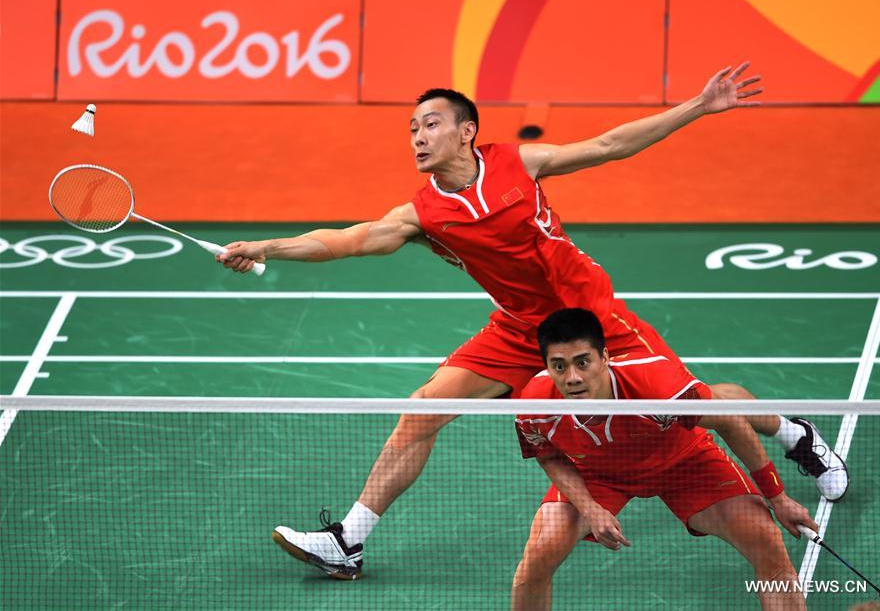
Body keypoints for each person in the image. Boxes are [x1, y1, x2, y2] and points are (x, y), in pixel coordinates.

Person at [217, 62, 847, 579]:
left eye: (430, 123)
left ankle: (791, 432)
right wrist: (267, 247)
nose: (416, 135)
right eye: (411, 127)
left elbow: (610, 146)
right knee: (423, 411)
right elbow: (348, 240)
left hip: (589, 320)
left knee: (698, 402)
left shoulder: (522, 163)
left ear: (467, 132)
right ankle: (349, 540)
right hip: (518, 328)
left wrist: (697, 105)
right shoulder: (423, 213)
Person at [512, 308, 816, 611]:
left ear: (604, 357)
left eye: (582, 362)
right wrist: (590, 508)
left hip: (684, 462)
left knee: (765, 540)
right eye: (559, 366)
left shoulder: (655, 383)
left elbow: (730, 421)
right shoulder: (536, 403)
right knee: (539, 554)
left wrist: (777, 497)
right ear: (547, 366)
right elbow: (549, 456)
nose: (573, 377)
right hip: (597, 473)